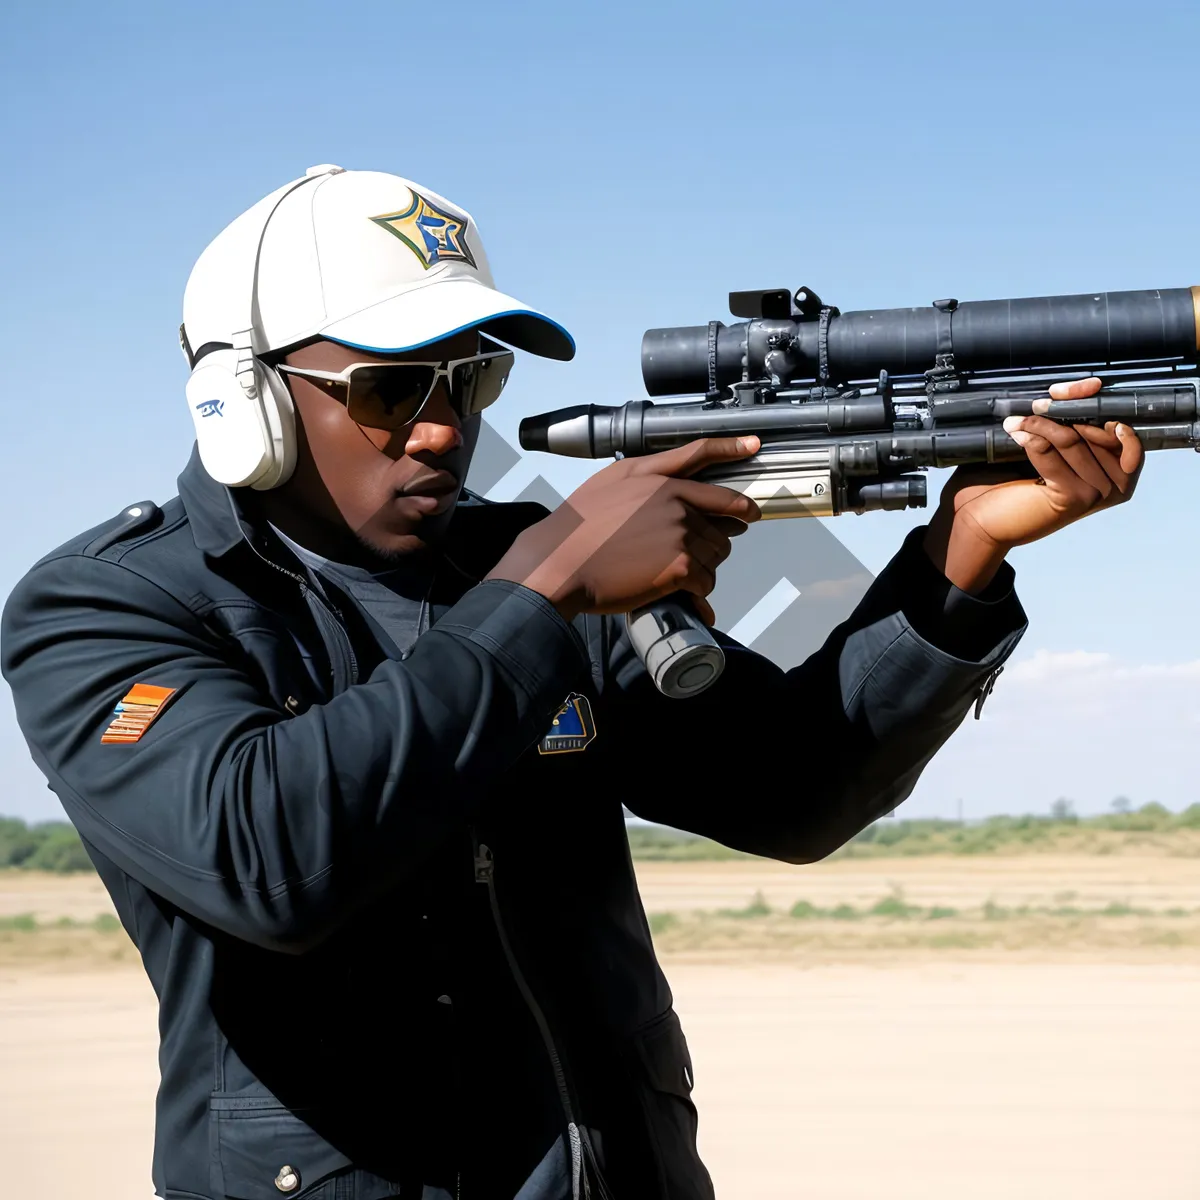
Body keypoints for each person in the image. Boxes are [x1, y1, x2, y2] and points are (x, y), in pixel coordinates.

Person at [0, 164, 1143, 1200]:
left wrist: (962, 553)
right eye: (394, 391)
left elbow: (793, 791)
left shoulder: (526, 565)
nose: (444, 433)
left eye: (472, 380)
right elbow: (272, 861)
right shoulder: (107, 607)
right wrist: (544, 594)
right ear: (241, 399)